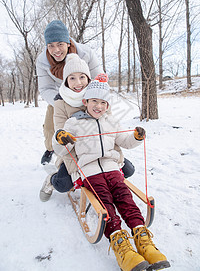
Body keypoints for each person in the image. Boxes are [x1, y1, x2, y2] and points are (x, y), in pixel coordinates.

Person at [52, 79, 170, 271]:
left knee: (125, 198)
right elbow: (61, 149)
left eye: (103, 103)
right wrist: (61, 138)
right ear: (86, 102)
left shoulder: (111, 121)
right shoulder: (74, 122)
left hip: (112, 168)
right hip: (90, 171)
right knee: (105, 204)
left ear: (108, 105)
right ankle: (120, 245)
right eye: (94, 101)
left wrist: (136, 138)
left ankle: (142, 239)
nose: (99, 106)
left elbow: (123, 140)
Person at [39, 54, 135, 202]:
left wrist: (114, 159)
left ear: (88, 78)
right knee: (64, 184)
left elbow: (109, 126)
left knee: (128, 169)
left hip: (101, 151)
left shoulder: (98, 94)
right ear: (66, 81)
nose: (78, 83)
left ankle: (106, 183)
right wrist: (62, 139)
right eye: (72, 78)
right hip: (76, 154)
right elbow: (60, 133)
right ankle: (51, 181)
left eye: (82, 77)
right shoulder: (60, 102)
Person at [36, 20, 104, 165]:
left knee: (93, 125)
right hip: (58, 98)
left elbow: (98, 79)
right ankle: (50, 149)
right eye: (51, 46)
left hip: (85, 96)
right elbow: (45, 88)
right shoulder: (42, 62)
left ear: (68, 42)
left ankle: (100, 152)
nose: (56, 50)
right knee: (50, 128)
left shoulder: (86, 53)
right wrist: (58, 100)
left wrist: (89, 98)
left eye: (60, 44)